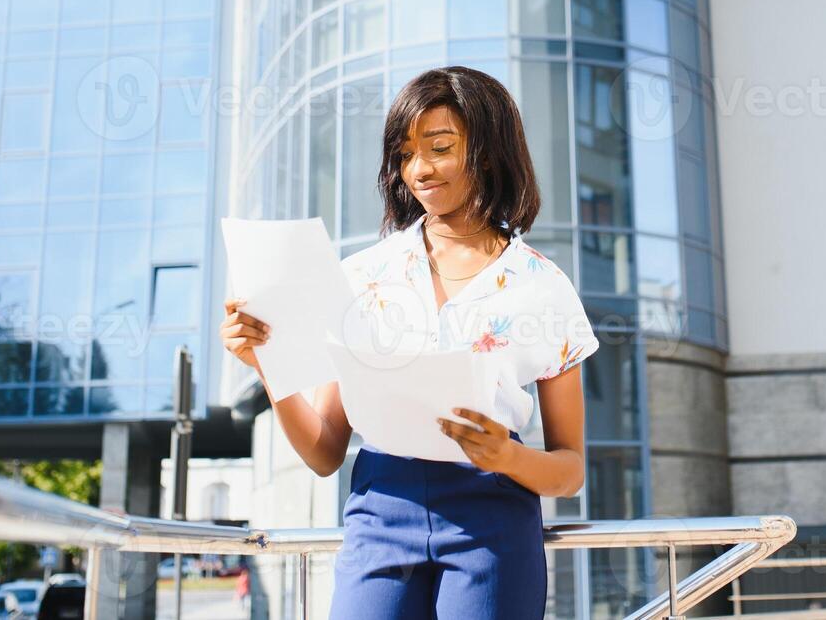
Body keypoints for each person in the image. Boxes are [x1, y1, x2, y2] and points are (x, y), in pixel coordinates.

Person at [220, 66, 599, 619]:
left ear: (488, 154)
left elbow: (569, 469)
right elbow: (326, 452)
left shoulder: (543, 287)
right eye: (404, 155)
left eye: (440, 148)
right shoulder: (361, 276)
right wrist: (267, 364)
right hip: (380, 510)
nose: (419, 170)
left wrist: (509, 455)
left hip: (493, 515)